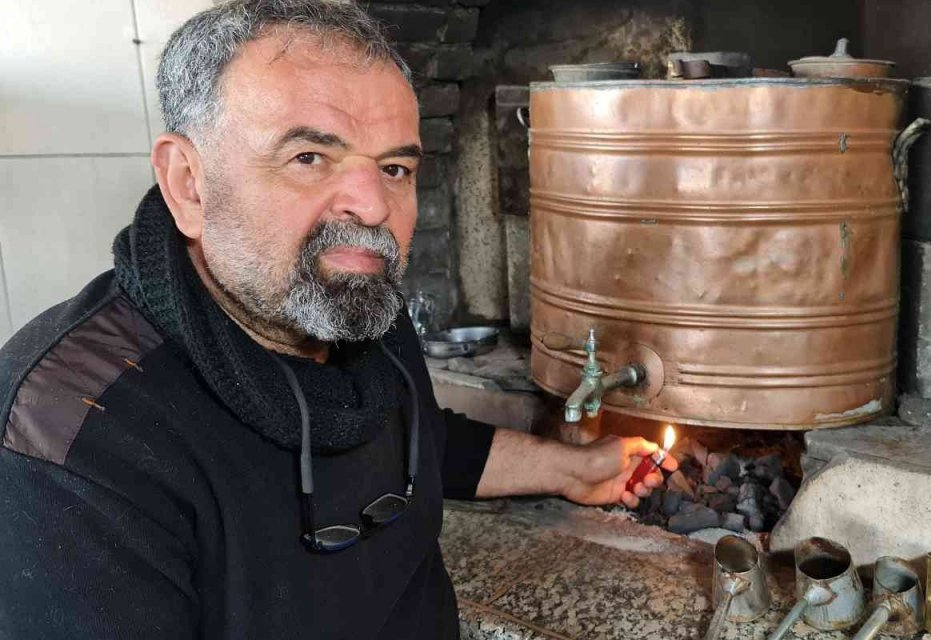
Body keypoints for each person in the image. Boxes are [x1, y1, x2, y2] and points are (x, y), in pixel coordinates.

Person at [0, 1, 676, 637]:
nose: (373, 206)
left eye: (394, 167)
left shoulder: (352, 303)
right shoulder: (68, 447)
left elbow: (416, 438)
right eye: (309, 157)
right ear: (189, 183)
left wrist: (571, 470)